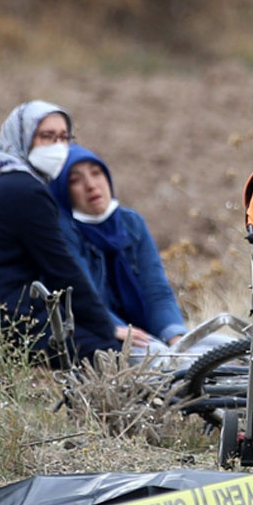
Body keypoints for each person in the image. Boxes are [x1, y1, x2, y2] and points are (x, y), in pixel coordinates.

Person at [0, 100, 123, 387]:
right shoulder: (24, 189)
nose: (57, 146)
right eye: (47, 137)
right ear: (24, 137)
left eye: (64, 137)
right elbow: (61, 270)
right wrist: (107, 330)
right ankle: (112, 429)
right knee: (102, 352)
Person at [50, 144, 189, 362]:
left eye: (96, 173)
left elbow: (157, 291)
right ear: (62, 192)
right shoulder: (63, 233)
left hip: (147, 334)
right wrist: (114, 327)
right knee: (163, 362)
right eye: (75, 180)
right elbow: (84, 298)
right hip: (104, 337)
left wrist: (176, 338)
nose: (91, 185)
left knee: (223, 349)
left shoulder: (131, 222)